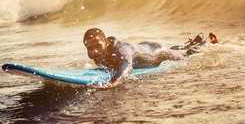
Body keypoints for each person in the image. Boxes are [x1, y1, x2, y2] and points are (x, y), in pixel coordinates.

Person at [83, 28, 218, 89]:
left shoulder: (120, 49)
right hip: (143, 46)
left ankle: (207, 41)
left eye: (97, 45)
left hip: (157, 52)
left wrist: (113, 82)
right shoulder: (96, 53)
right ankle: (188, 43)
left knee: (184, 55)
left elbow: (127, 65)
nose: (94, 50)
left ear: (106, 42)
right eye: (90, 48)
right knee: (176, 50)